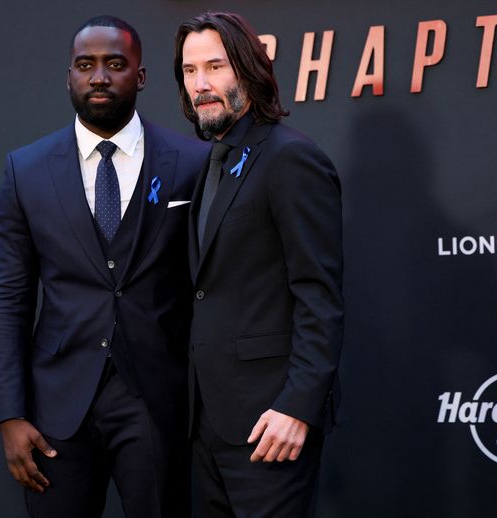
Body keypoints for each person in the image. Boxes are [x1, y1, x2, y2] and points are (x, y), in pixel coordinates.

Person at [0, 15, 207, 518]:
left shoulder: (193, 161)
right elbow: (9, 297)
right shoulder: (26, 170)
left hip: (158, 400)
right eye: (85, 65)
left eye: (115, 64)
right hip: (56, 410)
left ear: (142, 76)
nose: (100, 77)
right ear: (69, 76)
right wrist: (10, 415)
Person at [174, 11, 345, 517]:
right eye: (189, 71)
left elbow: (320, 295)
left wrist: (298, 405)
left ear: (248, 70)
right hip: (208, 423)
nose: (201, 85)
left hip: (271, 424)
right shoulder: (213, 163)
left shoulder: (290, 158)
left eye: (215, 67)